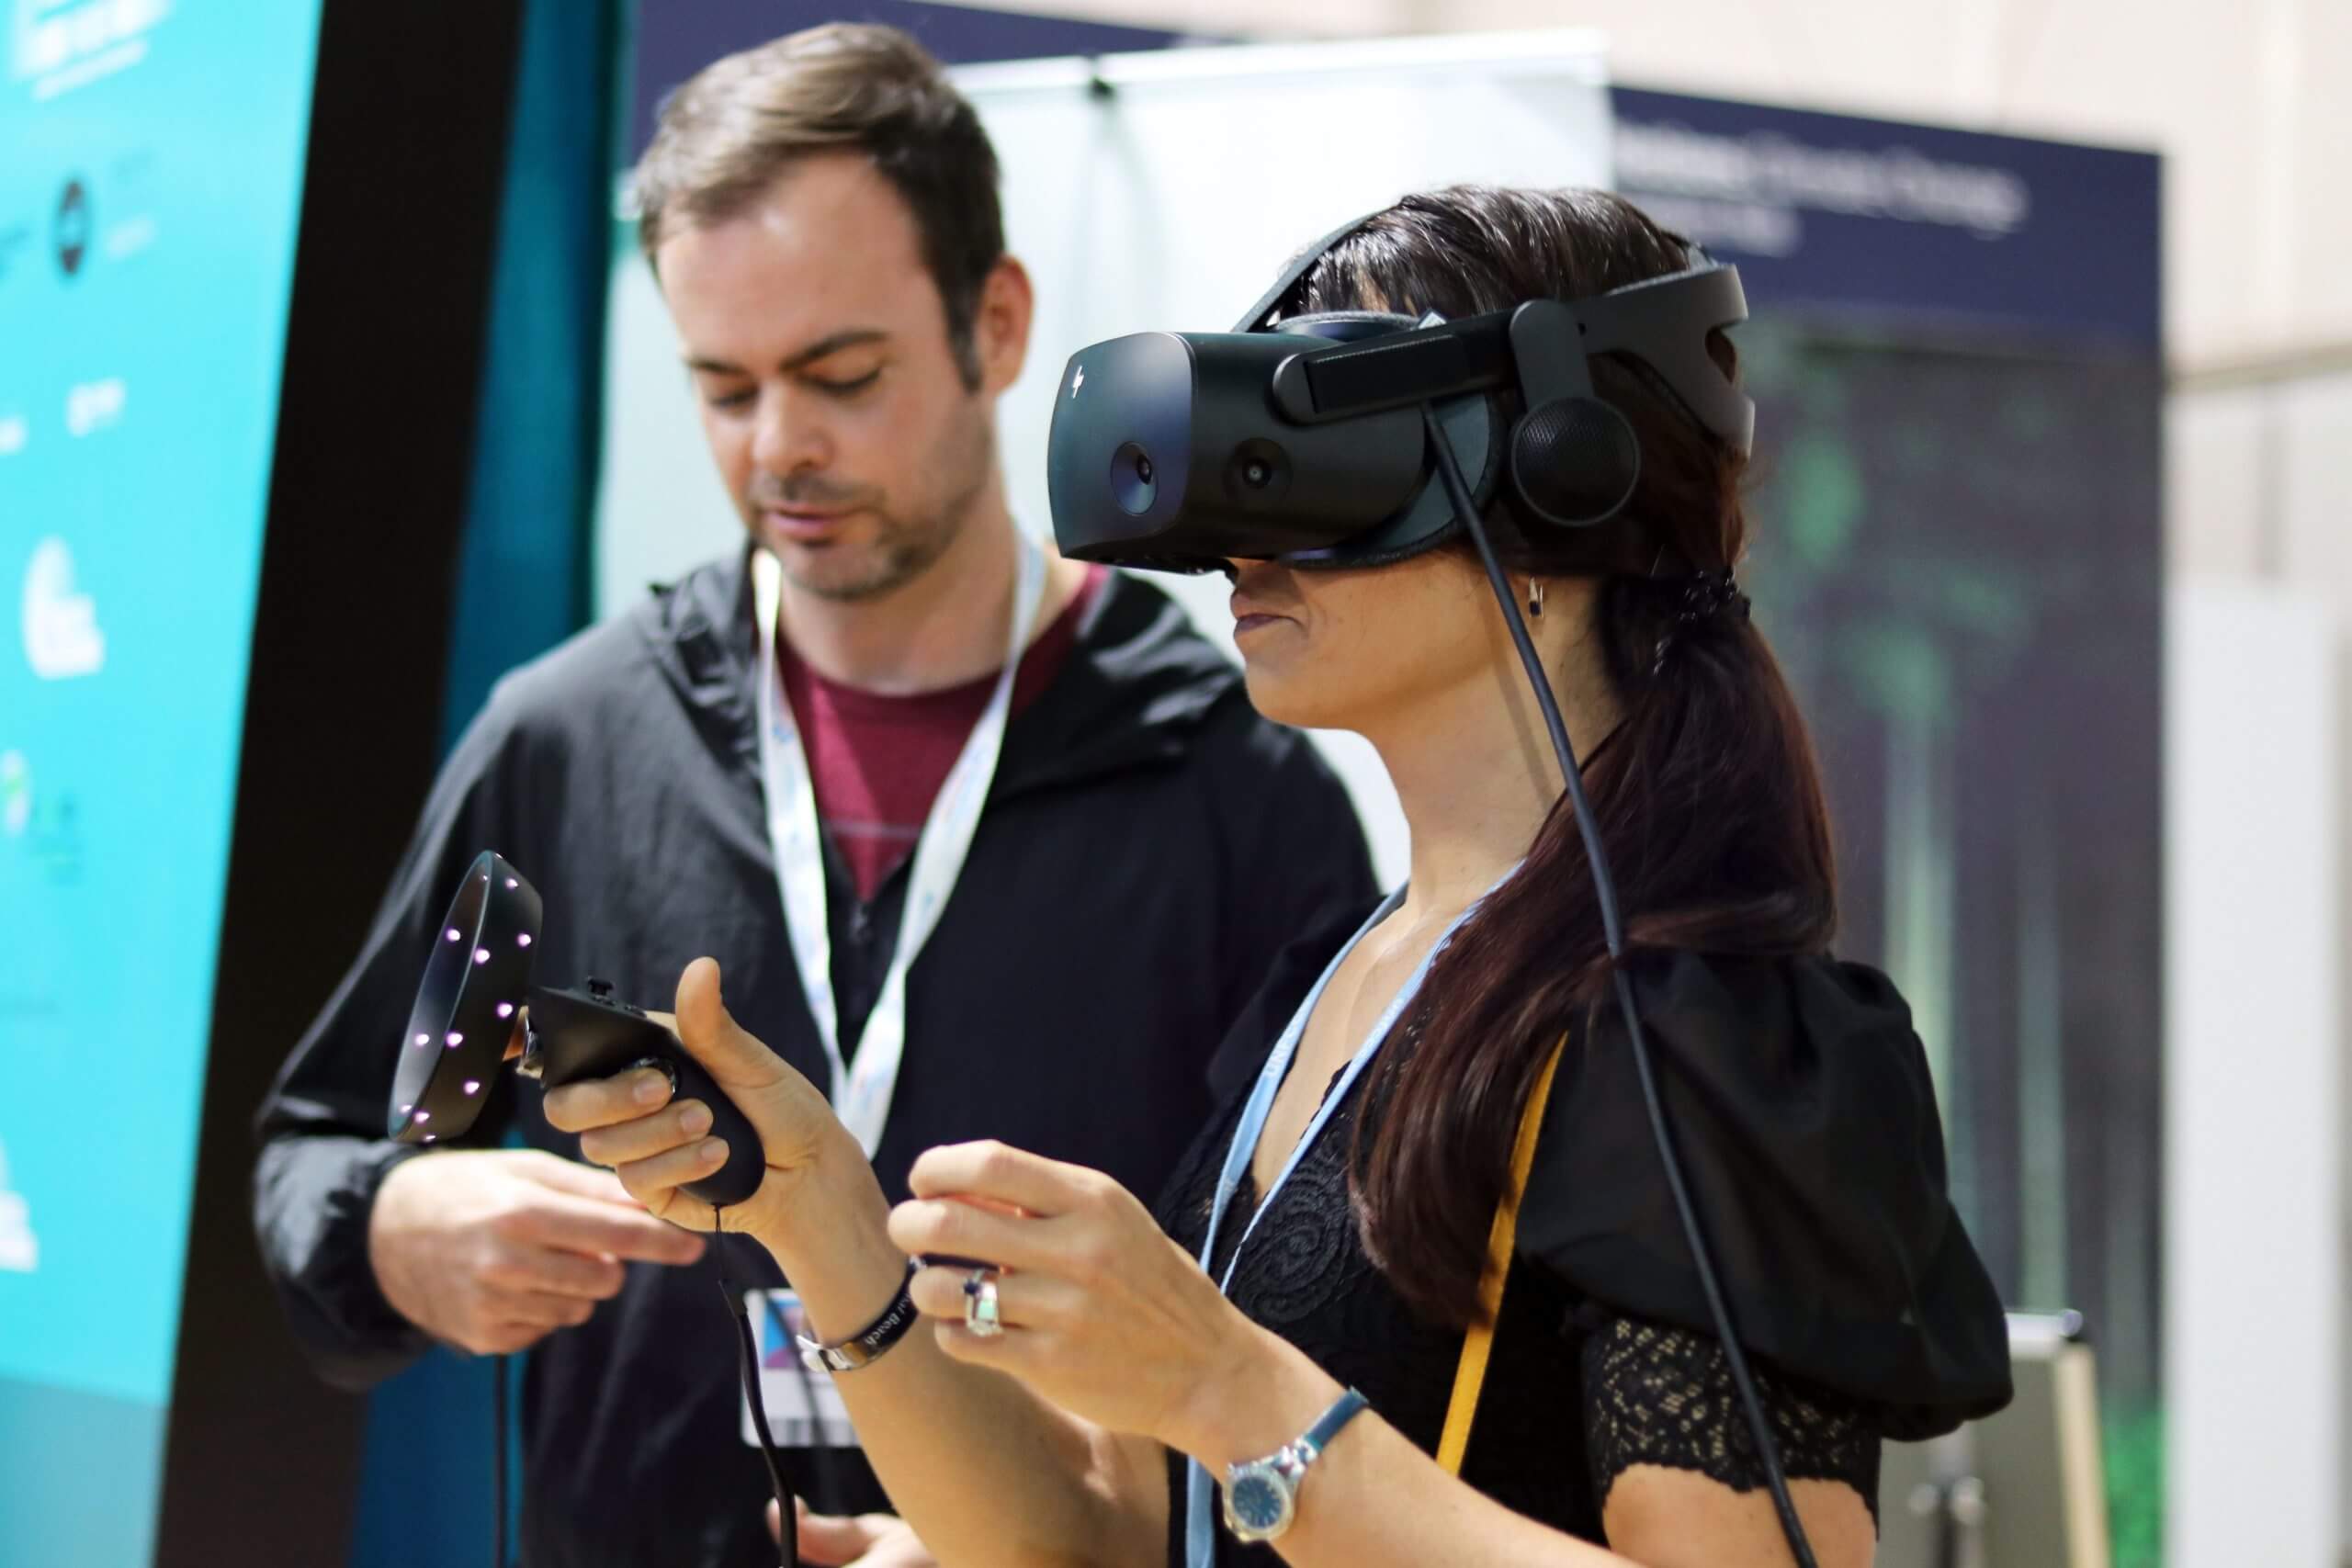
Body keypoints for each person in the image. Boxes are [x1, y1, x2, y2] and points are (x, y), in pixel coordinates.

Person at [549, 185, 2015, 1568]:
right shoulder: (1348, 977)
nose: (1243, 541)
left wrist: (1235, 1392)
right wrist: (820, 1212)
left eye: (1330, 455)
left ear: (1562, 492)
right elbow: (1109, 1526)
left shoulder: (1705, 1036)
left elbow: (1246, 1434)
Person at [251, 24, 1374, 1568]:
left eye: (841, 376)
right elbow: (313, 1142)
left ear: (995, 325)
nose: (782, 448)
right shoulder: (570, 738)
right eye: (724, 389)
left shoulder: (1237, 789)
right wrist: (390, 1233)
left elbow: (1317, 1350)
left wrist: (1060, 1530)